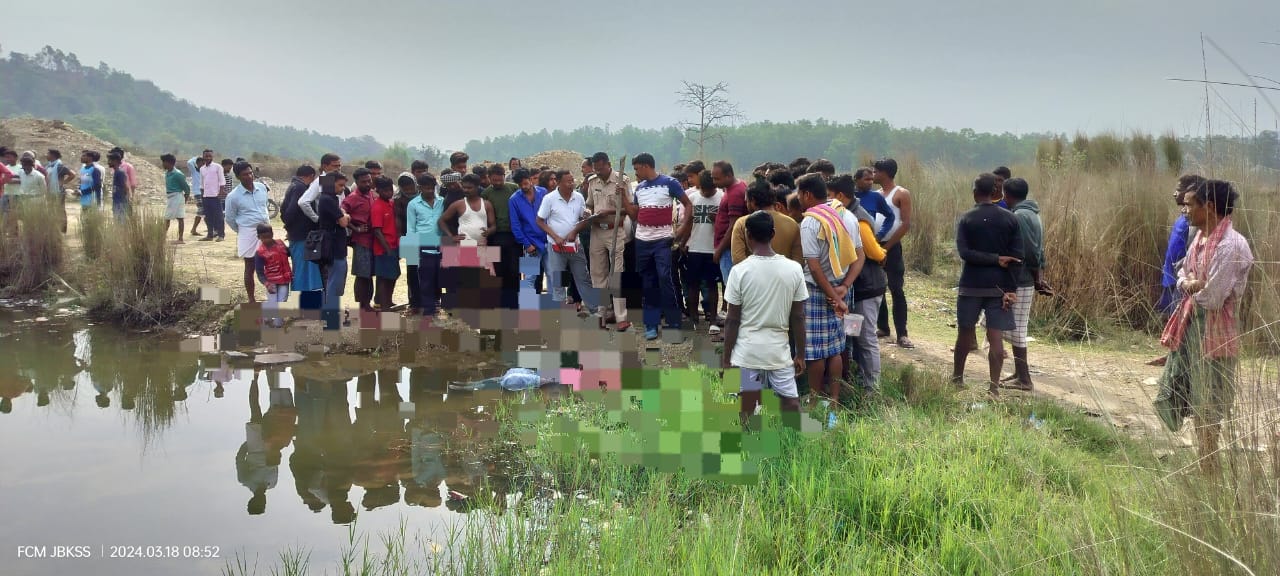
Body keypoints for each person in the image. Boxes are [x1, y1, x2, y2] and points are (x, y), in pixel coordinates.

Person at [1155, 179, 1253, 474]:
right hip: (1191, 325)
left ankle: (1210, 465)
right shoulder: (1199, 238)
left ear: (1208, 207)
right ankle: (1205, 461)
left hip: (1214, 332)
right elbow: (1182, 270)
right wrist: (1189, 282)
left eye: (1190, 204)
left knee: (1209, 401)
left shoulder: (1231, 245)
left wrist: (1193, 285)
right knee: (1194, 396)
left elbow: (1211, 298)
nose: (1185, 210)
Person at [722, 211, 808, 427]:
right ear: (773, 233)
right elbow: (798, 316)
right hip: (779, 353)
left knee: (748, 406)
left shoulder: (739, 271)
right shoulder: (794, 269)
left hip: (746, 352)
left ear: (748, 235)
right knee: (790, 405)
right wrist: (800, 354)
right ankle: (794, 446)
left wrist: (726, 359)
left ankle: (749, 447)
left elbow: (732, 320)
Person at [951, 173, 1024, 396]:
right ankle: (993, 388)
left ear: (975, 192)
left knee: (965, 334)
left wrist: (991, 258)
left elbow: (965, 253)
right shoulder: (1011, 219)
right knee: (995, 338)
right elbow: (1017, 257)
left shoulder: (967, 218)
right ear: (996, 192)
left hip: (971, 285)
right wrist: (1011, 290)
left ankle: (957, 379)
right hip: (1000, 288)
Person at [797, 174, 858, 405]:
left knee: (815, 350)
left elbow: (813, 266)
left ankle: (814, 399)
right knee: (836, 346)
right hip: (842, 286)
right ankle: (834, 399)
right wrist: (844, 288)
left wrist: (834, 296)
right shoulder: (847, 215)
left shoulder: (810, 221)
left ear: (807, 194)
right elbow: (859, 256)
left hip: (817, 290)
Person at [620, 153, 692, 342]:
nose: (635, 173)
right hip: (642, 241)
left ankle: (673, 324)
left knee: (665, 279)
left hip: (662, 241)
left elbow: (688, 204)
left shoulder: (670, 183)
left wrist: (683, 228)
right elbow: (635, 215)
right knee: (648, 282)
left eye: (636, 169)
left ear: (645, 166)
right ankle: (651, 325)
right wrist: (624, 199)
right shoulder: (640, 189)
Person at [829, 175, 888, 392]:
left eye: (830, 196)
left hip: (867, 288)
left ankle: (872, 389)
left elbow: (875, 253)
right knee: (852, 335)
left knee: (866, 338)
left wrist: (883, 253)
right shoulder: (847, 214)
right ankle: (857, 380)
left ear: (841, 196)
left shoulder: (859, 219)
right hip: (857, 289)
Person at [583, 152, 633, 332]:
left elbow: (630, 208)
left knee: (616, 275)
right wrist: (588, 213)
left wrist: (610, 211)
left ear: (609, 164)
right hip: (596, 231)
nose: (599, 172)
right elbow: (589, 204)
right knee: (598, 276)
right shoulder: (592, 181)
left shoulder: (622, 181)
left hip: (615, 231)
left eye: (601, 168)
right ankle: (600, 316)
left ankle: (621, 317)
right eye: (596, 168)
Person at [537, 170, 596, 310]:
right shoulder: (549, 198)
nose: (571, 184)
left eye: (572, 180)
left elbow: (584, 218)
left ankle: (594, 310)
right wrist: (555, 237)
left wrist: (578, 227)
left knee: (583, 278)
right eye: (568, 181)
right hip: (556, 247)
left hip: (575, 245)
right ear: (558, 182)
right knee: (559, 281)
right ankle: (560, 312)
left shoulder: (579, 197)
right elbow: (539, 221)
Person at [873, 158, 914, 349]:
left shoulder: (901, 193)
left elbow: (905, 223)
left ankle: (902, 333)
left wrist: (887, 247)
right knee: (877, 287)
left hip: (892, 246)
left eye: (876, 171)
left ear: (885, 173)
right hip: (875, 245)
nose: (873, 175)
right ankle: (883, 326)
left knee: (896, 289)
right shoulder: (875, 194)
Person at [225, 162, 274, 303]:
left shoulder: (262, 188)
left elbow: (264, 206)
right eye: (245, 174)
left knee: (271, 264)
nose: (249, 176)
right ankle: (251, 299)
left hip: (266, 230)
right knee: (250, 266)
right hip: (248, 232)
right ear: (238, 177)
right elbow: (229, 218)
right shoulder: (233, 196)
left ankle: (272, 297)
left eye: (250, 173)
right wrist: (242, 230)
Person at [682, 170, 724, 327]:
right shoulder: (692, 198)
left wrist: (717, 220)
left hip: (713, 250)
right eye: (702, 189)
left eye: (709, 190)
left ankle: (713, 317)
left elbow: (726, 225)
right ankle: (693, 317)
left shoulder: (721, 198)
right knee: (693, 284)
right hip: (694, 248)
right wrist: (683, 243)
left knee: (712, 285)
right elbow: (688, 223)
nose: (705, 193)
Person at [405, 173, 445, 317]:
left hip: (441, 245)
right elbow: (411, 228)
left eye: (431, 188)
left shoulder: (442, 201)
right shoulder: (413, 204)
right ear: (419, 188)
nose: (429, 191)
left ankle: (436, 304)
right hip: (423, 246)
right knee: (425, 279)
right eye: (426, 188)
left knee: (439, 278)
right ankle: (428, 311)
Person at [280, 165, 324, 294]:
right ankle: (300, 304)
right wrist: (290, 227)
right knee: (303, 271)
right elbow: (291, 211)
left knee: (302, 269)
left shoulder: (293, 186)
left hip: (299, 234)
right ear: (311, 176)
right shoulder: (300, 187)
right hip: (301, 235)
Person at [317, 172, 352, 328]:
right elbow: (344, 222)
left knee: (335, 278)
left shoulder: (330, 199)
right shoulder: (327, 200)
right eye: (340, 185)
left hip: (336, 243)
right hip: (333, 245)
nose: (343, 188)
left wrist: (343, 215)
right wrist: (346, 215)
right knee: (335, 279)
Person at [340, 168, 377, 312]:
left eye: (369, 181)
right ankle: (362, 305)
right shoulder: (352, 198)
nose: (368, 184)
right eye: (364, 182)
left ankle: (368, 304)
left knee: (370, 274)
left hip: (374, 240)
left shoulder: (373, 195)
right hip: (361, 241)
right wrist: (355, 228)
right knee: (362, 275)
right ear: (356, 182)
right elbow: (341, 212)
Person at [509, 168, 547, 297]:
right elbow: (515, 226)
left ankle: (555, 308)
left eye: (525, 183)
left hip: (549, 241)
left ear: (531, 180)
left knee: (554, 276)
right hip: (531, 245)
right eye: (520, 185)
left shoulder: (543, 193)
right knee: (529, 279)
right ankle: (528, 310)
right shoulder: (514, 200)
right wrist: (526, 244)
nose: (524, 187)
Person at [711, 161, 748, 289]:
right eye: (713, 178)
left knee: (732, 287)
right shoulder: (734, 187)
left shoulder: (735, 193)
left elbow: (734, 225)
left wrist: (719, 250)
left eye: (717, 179)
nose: (714, 182)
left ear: (728, 176)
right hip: (728, 246)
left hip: (729, 248)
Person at [368, 177, 401, 310]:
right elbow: (377, 230)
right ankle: (383, 304)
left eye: (390, 190)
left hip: (394, 245)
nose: (389, 193)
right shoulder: (377, 206)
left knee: (393, 275)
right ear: (378, 190)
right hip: (383, 248)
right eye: (385, 190)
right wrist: (387, 248)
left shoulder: (391, 203)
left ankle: (388, 300)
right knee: (383, 277)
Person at [254, 223, 293, 328]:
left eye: (269, 236)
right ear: (259, 237)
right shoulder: (260, 253)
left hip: (285, 279)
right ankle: (267, 317)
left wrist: (290, 240)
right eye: (264, 238)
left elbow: (289, 253)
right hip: (271, 282)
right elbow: (259, 272)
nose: (267, 240)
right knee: (272, 302)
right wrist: (266, 283)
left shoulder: (280, 243)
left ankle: (277, 324)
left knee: (282, 301)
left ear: (272, 234)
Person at [393, 173, 422, 315]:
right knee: (412, 271)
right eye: (406, 189)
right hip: (409, 238)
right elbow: (398, 221)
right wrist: (400, 238)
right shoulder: (398, 199)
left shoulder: (424, 194)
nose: (409, 191)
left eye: (411, 188)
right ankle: (414, 302)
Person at [439, 173, 496, 245]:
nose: (466, 190)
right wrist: (451, 237)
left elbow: (493, 226)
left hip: (482, 245)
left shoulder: (487, 204)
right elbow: (441, 221)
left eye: (469, 188)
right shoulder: (458, 204)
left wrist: (489, 231)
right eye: (464, 187)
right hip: (464, 245)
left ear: (477, 187)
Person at [297, 153, 344, 223]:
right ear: (325, 166)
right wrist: (317, 219)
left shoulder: (333, 180)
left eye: (339, 165)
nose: (338, 168)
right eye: (335, 166)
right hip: (329, 226)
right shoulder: (325, 180)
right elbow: (303, 202)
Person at [852, 168, 894, 241]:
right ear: (856, 180)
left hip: (868, 242)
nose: (870, 182)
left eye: (872, 179)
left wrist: (880, 235)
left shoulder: (876, 197)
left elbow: (890, 216)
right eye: (867, 179)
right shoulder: (847, 196)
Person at [161, 154, 191, 243]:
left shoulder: (178, 174)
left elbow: (186, 188)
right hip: (171, 197)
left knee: (171, 217)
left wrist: (185, 199)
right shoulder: (168, 173)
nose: (162, 164)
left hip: (177, 196)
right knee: (175, 217)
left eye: (164, 162)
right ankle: (176, 238)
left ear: (169, 163)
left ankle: (176, 238)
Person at [199, 150, 227, 241]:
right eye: (206, 156)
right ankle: (210, 235)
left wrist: (221, 192)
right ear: (203, 157)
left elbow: (222, 181)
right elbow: (202, 183)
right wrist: (202, 194)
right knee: (208, 217)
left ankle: (221, 235)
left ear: (212, 156)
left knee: (219, 216)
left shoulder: (217, 167)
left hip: (215, 195)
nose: (208, 158)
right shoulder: (202, 169)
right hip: (206, 196)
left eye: (209, 156)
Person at [44, 149, 73, 233]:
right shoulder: (49, 166)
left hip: (58, 192)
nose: (46, 155)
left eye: (48, 154)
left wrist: (63, 183)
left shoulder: (59, 166)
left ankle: (62, 230)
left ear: (53, 155)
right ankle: (54, 228)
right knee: (51, 210)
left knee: (60, 210)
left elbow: (72, 174)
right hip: (50, 191)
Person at [106, 152, 131, 219]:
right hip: (117, 202)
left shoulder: (120, 172)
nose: (108, 162)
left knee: (120, 224)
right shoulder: (116, 172)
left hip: (121, 203)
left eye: (109, 160)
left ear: (115, 161)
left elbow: (126, 187)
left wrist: (127, 202)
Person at [188, 155, 206, 236]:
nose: (202, 164)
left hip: (204, 193)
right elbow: (189, 162)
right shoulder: (194, 171)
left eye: (203, 163)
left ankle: (210, 229)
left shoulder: (204, 172)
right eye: (201, 163)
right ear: (197, 163)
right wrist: (196, 157)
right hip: (198, 193)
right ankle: (193, 229)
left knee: (204, 211)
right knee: (201, 211)